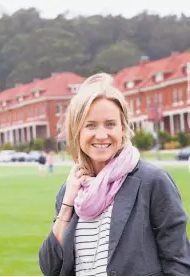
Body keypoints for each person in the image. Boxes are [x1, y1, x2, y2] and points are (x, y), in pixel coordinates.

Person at [39, 73, 190, 276]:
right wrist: (66, 206)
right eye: (90, 125)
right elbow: (51, 269)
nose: (102, 135)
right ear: (77, 131)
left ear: (122, 129)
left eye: (110, 124)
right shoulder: (72, 190)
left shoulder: (152, 181)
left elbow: (179, 264)